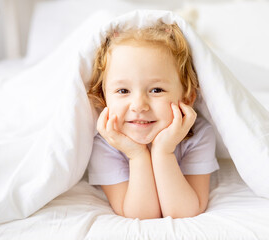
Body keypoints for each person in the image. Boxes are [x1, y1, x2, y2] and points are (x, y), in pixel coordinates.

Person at [87, 21, 219, 219]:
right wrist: (137, 155)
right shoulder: (105, 144)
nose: (139, 105)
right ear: (104, 99)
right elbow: (142, 215)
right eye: (123, 91)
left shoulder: (199, 135)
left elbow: (184, 212)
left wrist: (163, 152)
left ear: (187, 98)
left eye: (156, 90)